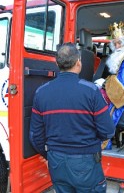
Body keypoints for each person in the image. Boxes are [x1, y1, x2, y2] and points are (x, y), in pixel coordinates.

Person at [29, 42, 115, 193]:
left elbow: (35, 136)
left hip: (56, 161)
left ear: (57, 63)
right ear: (78, 62)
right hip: (86, 161)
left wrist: (50, 155)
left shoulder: (41, 93)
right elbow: (108, 131)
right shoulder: (91, 91)